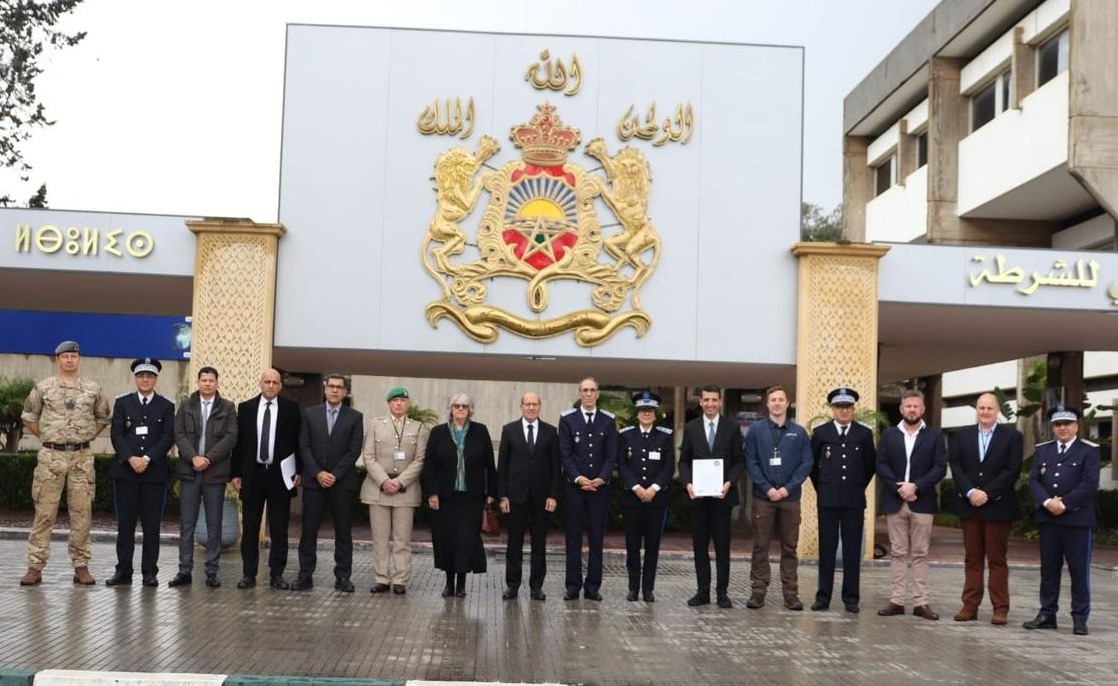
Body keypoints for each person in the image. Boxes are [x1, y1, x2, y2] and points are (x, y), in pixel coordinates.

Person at [19, 340, 111, 586]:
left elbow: (103, 417)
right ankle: (35, 567)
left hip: (81, 457)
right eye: (65, 356)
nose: (70, 360)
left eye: (74, 356)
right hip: (51, 458)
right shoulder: (44, 387)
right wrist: (46, 436)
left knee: (82, 513)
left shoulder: (92, 389)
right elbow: (29, 416)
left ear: (79, 359)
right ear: (57, 359)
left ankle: (81, 566)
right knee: (44, 513)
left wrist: (87, 436)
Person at [1023, 405, 1099, 636]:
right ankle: (1047, 613)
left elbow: (1089, 483)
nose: (1062, 428)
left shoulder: (1088, 451)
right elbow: (1034, 480)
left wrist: (1063, 504)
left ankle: (1079, 617)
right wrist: (1048, 503)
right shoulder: (1043, 450)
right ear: (1053, 427)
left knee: (1079, 571)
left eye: (1067, 423)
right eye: (1058, 424)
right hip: (1049, 520)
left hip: (1076, 519)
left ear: (1077, 425)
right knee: (1049, 570)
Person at [948, 391, 1023, 625]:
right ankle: (970, 606)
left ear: (998, 410)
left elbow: (1012, 470)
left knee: (997, 559)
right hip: (970, 506)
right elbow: (957, 466)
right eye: (981, 408)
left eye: (990, 408)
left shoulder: (1012, 436)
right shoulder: (962, 435)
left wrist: (988, 493)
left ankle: (1000, 608)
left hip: (998, 506)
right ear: (976, 411)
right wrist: (971, 492)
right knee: (972, 558)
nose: (985, 412)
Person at [876, 389, 947, 620]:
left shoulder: (934, 436)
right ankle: (897, 601)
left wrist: (915, 487)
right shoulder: (889, 435)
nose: (912, 410)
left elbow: (939, 467)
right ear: (901, 409)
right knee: (897, 552)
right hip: (895, 501)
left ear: (923, 409)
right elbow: (881, 464)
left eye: (916, 406)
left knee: (920, 553)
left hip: (922, 501)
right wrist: (901, 488)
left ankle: (921, 602)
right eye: (908, 406)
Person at [744, 384, 814, 611]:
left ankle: (791, 594)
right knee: (760, 546)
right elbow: (751, 462)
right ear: (767, 404)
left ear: (788, 403)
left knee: (790, 547)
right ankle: (758, 592)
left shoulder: (799, 432)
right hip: (763, 498)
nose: (777, 403)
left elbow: (807, 463)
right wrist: (767, 488)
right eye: (773, 399)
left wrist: (787, 488)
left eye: (781, 399)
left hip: (790, 498)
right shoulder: (756, 431)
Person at [107, 358, 175, 587]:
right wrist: (131, 458)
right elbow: (117, 434)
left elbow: (167, 437)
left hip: (153, 473)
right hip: (126, 472)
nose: (145, 379)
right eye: (141, 376)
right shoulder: (123, 403)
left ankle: (149, 572)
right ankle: (123, 571)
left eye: (150, 376)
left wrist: (146, 458)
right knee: (125, 526)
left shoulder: (166, 406)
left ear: (156, 379)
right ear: (135, 378)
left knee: (152, 527)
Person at [231, 368, 302, 590]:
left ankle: (277, 575)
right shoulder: (245, 408)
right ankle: (248, 574)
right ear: (260, 383)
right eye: (267, 381)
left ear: (281, 386)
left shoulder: (291, 409)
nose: (271, 385)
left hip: (280, 475)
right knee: (250, 527)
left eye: (275, 382)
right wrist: (235, 473)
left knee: (279, 528)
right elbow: (239, 444)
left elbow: (298, 442)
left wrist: (299, 470)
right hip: (252, 474)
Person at [293, 375, 364, 592]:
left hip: (341, 484)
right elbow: (303, 446)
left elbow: (354, 449)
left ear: (345, 392)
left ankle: (343, 577)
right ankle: (305, 575)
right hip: (315, 483)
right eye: (331, 386)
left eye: (339, 387)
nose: (334, 390)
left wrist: (334, 474)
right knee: (308, 532)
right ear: (325, 390)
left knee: (343, 533)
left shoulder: (355, 417)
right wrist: (317, 473)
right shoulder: (310, 414)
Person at [809, 387, 876, 613]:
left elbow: (869, 467)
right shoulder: (820, 433)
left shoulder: (864, 434)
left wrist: (855, 487)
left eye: (847, 407)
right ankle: (823, 596)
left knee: (851, 550)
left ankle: (851, 598)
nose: (844, 411)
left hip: (853, 501)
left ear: (853, 409)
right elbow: (813, 468)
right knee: (826, 549)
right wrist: (824, 488)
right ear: (833, 409)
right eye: (839, 407)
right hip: (827, 500)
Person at [678, 384, 745, 608]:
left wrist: (729, 482)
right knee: (699, 546)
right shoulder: (691, 428)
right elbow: (683, 461)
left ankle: (722, 592)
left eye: (714, 400)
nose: (710, 404)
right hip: (698, 497)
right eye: (706, 400)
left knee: (722, 546)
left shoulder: (732, 428)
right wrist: (687, 482)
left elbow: (738, 461)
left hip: (722, 497)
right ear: (700, 402)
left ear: (720, 402)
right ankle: (702, 591)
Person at [423, 393, 497, 597]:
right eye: (457, 406)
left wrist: (491, 493)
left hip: (471, 498)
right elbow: (429, 466)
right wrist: (432, 493)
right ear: (451, 409)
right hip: (445, 498)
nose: (461, 409)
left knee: (466, 540)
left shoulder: (480, 431)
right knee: (446, 539)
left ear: (470, 409)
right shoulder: (438, 432)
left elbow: (490, 464)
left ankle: (462, 584)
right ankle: (449, 583)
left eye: (465, 406)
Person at [171, 365, 238, 588]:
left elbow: (230, 438)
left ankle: (211, 571)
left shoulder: (228, 408)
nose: (207, 383)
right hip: (190, 473)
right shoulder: (186, 405)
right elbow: (179, 434)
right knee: (187, 524)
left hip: (214, 473)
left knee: (214, 524)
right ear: (198, 382)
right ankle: (184, 570)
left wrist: (207, 458)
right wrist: (193, 458)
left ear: (217, 383)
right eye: (204, 380)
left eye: (211, 380)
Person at [360, 386, 428, 594]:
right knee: (380, 538)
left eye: (403, 400)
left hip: (404, 490)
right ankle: (381, 578)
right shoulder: (375, 425)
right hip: (378, 489)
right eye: (395, 400)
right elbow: (368, 456)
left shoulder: (418, 427)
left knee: (402, 538)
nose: (399, 404)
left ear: (408, 404)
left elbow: (420, 459)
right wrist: (384, 481)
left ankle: (400, 579)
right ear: (389, 403)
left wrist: (399, 482)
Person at [558, 376, 618, 601]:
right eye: (585, 390)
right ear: (580, 393)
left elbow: (612, 455)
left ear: (598, 393)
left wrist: (601, 478)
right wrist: (579, 478)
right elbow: (565, 453)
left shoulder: (608, 421)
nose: (589, 394)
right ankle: (573, 586)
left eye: (593, 390)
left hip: (599, 490)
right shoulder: (567, 420)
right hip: (575, 488)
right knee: (573, 539)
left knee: (596, 539)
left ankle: (593, 586)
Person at [497, 391, 561, 601]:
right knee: (514, 544)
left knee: (539, 545)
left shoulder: (551, 432)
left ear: (539, 406)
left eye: (535, 404)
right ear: (521, 406)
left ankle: (536, 587)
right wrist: (503, 496)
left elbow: (555, 467)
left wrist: (553, 495)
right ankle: (512, 586)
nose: (531, 407)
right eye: (528, 404)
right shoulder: (509, 430)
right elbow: (503, 467)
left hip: (542, 499)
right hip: (516, 497)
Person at [617, 390, 674, 602]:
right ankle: (633, 588)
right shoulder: (625, 435)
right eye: (643, 410)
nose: (646, 414)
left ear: (656, 413)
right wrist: (636, 487)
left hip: (656, 499)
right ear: (637, 413)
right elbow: (621, 464)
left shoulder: (665, 435)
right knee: (632, 546)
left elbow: (668, 466)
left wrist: (654, 488)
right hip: (632, 499)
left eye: (650, 410)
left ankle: (648, 589)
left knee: (652, 547)